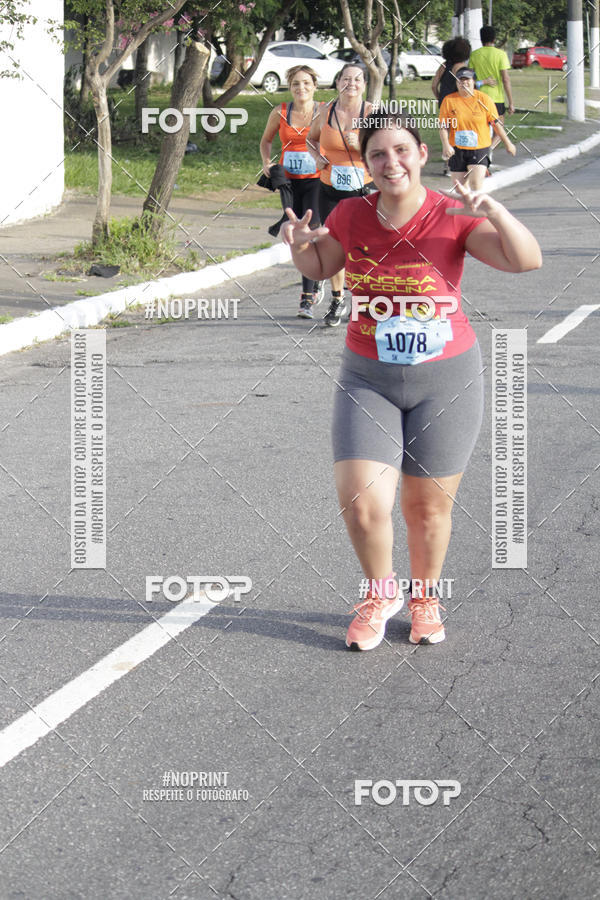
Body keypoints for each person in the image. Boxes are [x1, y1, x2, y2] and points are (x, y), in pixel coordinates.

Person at [281, 114, 541, 650]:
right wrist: (300, 247)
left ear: (423, 154)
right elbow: (322, 261)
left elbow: (526, 260)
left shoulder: (453, 214)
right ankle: (382, 593)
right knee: (361, 501)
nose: (391, 162)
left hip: (446, 379)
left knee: (427, 507)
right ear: (367, 164)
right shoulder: (351, 214)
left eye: (402, 150)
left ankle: (425, 595)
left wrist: (492, 207)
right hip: (367, 376)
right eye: (378, 154)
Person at [306, 64, 373, 327]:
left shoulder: (372, 113)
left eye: (357, 79)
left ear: (364, 84)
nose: (351, 84)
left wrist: (364, 143)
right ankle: (337, 299)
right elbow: (310, 140)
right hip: (330, 189)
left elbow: (389, 146)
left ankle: (365, 300)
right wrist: (317, 159)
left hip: (363, 190)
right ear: (338, 83)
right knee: (335, 247)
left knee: (362, 248)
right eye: (346, 79)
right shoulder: (325, 111)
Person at [259, 65, 324, 318]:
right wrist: (267, 162)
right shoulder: (280, 112)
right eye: (296, 83)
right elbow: (266, 140)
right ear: (290, 86)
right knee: (297, 232)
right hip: (289, 182)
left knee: (308, 231)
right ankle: (314, 281)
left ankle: (307, 295)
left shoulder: (323, 111)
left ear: (315, 86)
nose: (301, 88)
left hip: (317, 180)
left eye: (306, 83)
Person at [439, 68, 516, 191]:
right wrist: (446, 145)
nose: (464, 83)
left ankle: (476, 207)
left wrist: (508, 143)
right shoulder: (449, 101)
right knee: (459, 188)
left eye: (467, 80)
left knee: (475, 184)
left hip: (479, 148)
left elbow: (496, 124)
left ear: (473, 81)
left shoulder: (484, 99)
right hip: (457, 149)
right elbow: (443, 126)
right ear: (456, 83)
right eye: (460, 80)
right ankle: (466, 209)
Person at [432, 38, 495, 174]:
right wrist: (485, 82)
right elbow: (470, 86)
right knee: (457, 135)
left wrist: (440, 99)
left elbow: (433, 85)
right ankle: (462, 163)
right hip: (458, 105)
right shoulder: (462, 68)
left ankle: (448, 164)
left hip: (445, 103)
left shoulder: (443, 66)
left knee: (447, 135)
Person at [469, 25, 515, 152]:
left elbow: (469, 78)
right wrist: (511, 102)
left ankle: (480, 151)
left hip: (479, 98)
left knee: (480, 128)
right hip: (497, 99)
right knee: (499, 131)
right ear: (494, 38)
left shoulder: (474, 55)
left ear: (481, 39)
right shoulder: (501, 55)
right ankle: (489, 150)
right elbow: (505, 79)